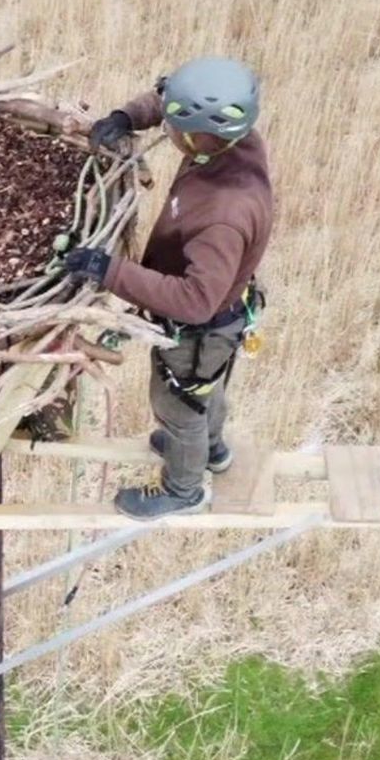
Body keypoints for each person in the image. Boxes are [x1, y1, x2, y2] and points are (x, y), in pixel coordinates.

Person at [63, 57, 274, 519]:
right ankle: (211, 449)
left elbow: (194, 302)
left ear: (196, 135)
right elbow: (169, 102)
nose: (167, 127)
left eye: (175, 124)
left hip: (199, 330)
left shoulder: (224, 215)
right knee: (203, 390)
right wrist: (126, 118)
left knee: (176, 401)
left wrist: (107, 269)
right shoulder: (230, 140)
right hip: (223, 317)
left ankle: (184, 490)